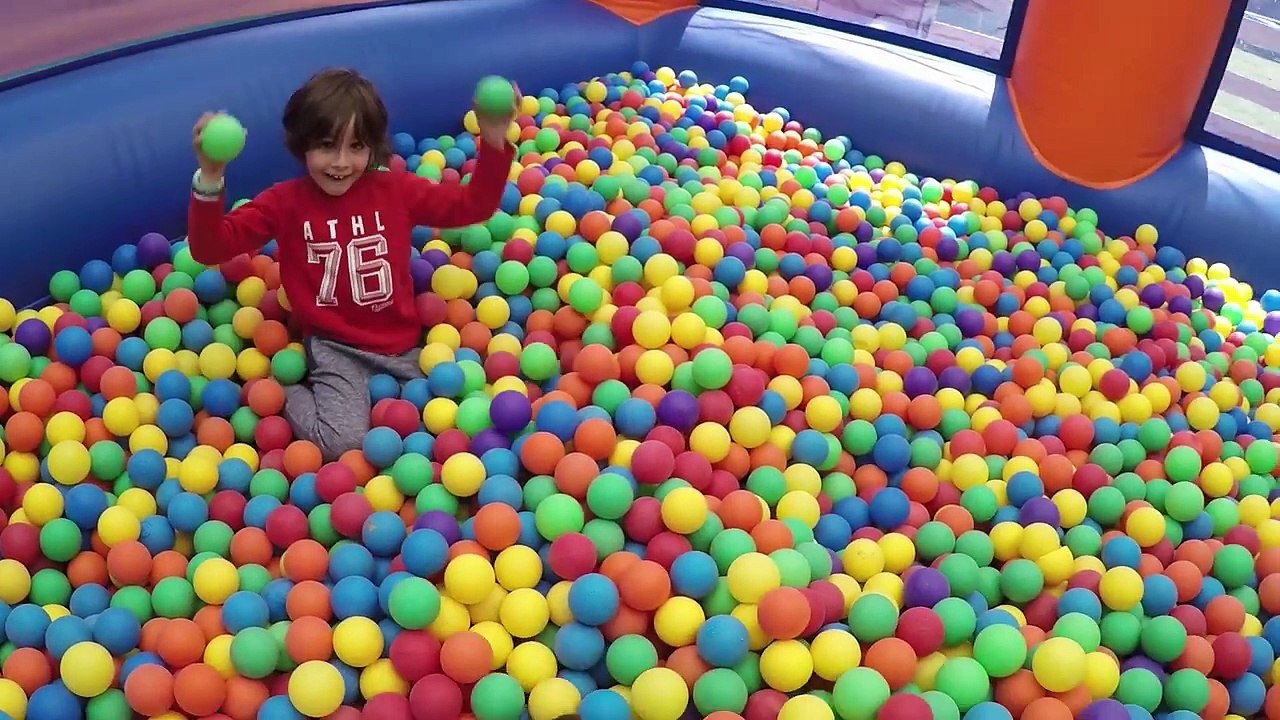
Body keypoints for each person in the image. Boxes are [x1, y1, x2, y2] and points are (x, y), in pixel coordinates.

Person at [187, 67, 517, 461]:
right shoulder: (284, 203)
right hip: (335, 347)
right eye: (327, 146)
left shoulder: (395, 190)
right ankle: (284, 390)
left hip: (401, 344)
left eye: (356, 146)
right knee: (343, 442)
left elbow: (472, 205)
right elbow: (210, 248)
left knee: (453, 420)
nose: (341, 162)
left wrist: (493, 140)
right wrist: (211, 175)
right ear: (302, 143)